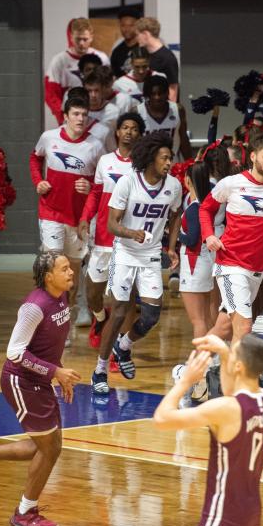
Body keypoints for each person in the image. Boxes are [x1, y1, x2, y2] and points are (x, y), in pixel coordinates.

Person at [0, 251, 80, 526]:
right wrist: (55, 373)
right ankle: (25, 512)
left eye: (69, 266)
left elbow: (49, 344)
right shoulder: (34, 307)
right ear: (48, 277)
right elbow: (14, 352)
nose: (71, 271)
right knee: (50, 449)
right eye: (64, 268)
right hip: (21, 382)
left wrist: (58, 372)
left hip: (40, 380)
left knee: (47, 447)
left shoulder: (62, 296)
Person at [154, 333, 263, 526]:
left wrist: (185, 382)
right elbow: (233, 392)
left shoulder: (225, 409)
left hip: (222, 515)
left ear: (238, 366)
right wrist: (223, 352)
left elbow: (161, 419)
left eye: (232, 353)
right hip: (251, 512)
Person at [94, 132, 182, 394]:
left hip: (151, 253)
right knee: (120, 312)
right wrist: (132, 233)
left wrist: (172, 246)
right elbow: (111, 224)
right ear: (150, 158)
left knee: (152, 315)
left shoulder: (174, 186)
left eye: (171, 158)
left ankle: (124, 347)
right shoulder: (127, 183)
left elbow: (175, 215)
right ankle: (99, 370)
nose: (169, 163)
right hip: (124, 252)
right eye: (164, 158)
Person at [200, 132, 263, 344]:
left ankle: (188, 373)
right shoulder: (231, 183)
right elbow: (205, 209)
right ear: (252, 156)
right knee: (244, 327)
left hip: (257, 269)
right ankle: (239, 378)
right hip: (230, 263)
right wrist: (208, 235)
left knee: (223, 328)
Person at [30, 94, 105, 327]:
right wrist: (38, 181)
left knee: (72, 269)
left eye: (84, 114)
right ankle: (48, 320)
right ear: (65, 116)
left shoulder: (96, 145)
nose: (80, 118)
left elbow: (102, 182)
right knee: (54, 264)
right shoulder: (49, 138)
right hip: (50, 212)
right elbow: (35, 158)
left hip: (78, 218)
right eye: (76, 114)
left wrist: (91, 184)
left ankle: (72, 310)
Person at [78, 112, 144, 342]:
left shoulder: (143, 165)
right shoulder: (105, 161)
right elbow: (96, 194)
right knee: (93, 293)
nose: (129, 131)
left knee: (124, 298)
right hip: (102, 238)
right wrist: (86, 217)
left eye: (134, 128)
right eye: (125, 127)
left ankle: (120, 349)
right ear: (117, 132)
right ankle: (100, 317)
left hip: (128, 241)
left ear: (140, 134)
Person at [170, 161, 217, 339]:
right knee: (205, 317)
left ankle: (200, 363)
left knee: (198, 321)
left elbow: (192, 238)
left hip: (193, 264)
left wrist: (177, 235)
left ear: (187, 181)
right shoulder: (207, 203)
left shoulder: (194, 208)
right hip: (205, 261)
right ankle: (212, 359)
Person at [44, 18, 109, 124]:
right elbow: (51, 93)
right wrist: (61, 116)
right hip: (72, 116)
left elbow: (108, 87)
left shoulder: (102, 58)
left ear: (91, 37)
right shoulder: (60, 61)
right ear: (71, 37)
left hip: (100, 115)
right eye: (78, 39)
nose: (81, 43)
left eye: (85, 39)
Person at [138, 74, 193, 160]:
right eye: (153, 94)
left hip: (172, 165)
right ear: (148, 95)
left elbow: (183, 139)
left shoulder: (178, 110)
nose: (157, 97)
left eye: (160, 93)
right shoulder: (138, 112)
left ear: (167, 93)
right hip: (147, 165)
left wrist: (190, 163)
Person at [135, 17, 180, 101]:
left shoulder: (167, 58)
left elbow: (173, 89)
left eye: (137, 35)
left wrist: (168, 112)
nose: (136, 38)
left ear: (145, 34)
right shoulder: (143, 54)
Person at [109, 7, 141, 77]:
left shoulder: (144, 48)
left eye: (131, 25)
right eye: (123, 25)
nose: (126, 29)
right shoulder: (116, 51)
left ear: (138, 26)